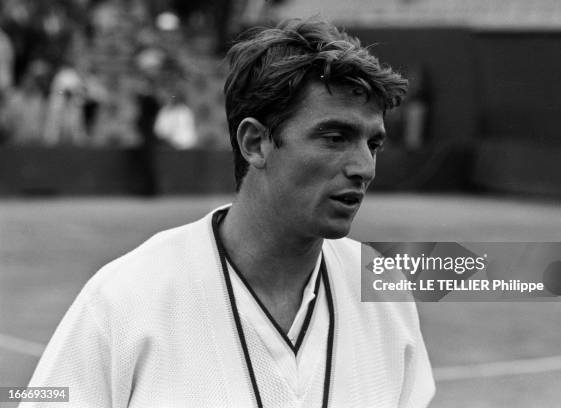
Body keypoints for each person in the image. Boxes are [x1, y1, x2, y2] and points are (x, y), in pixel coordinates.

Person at [22, 18, 435, 407]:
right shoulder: (125, 296)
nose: (364, 167)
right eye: (335, 137)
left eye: (373, 144)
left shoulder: (384, 291)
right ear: (255, 142)